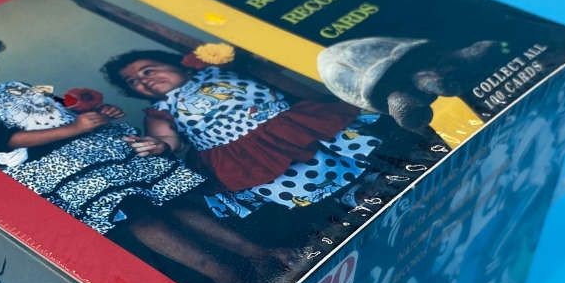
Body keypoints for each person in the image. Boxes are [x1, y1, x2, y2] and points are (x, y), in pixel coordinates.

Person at [0, 32, 289, 283]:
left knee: (172, 203)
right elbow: (10, 139)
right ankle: (227, 279)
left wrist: (88, 114)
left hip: (101, 148)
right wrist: (76, 129)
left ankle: (258, 254)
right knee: (139, 219)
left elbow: (56, 106)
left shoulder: (11, 87)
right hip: (62, 169)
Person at [101, 49, 415, 215]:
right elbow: (167, 137)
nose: (144, 81)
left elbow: (256, 63)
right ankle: (353, 198)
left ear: (179, 64)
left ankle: (382, 176)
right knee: (302, 179)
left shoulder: (215, 69)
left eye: (148, 70)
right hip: (242, 153)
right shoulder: (161, 109)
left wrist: (227, 56)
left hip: (286, 123)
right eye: (134, 83)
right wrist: (158, 145)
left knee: (336, 152)